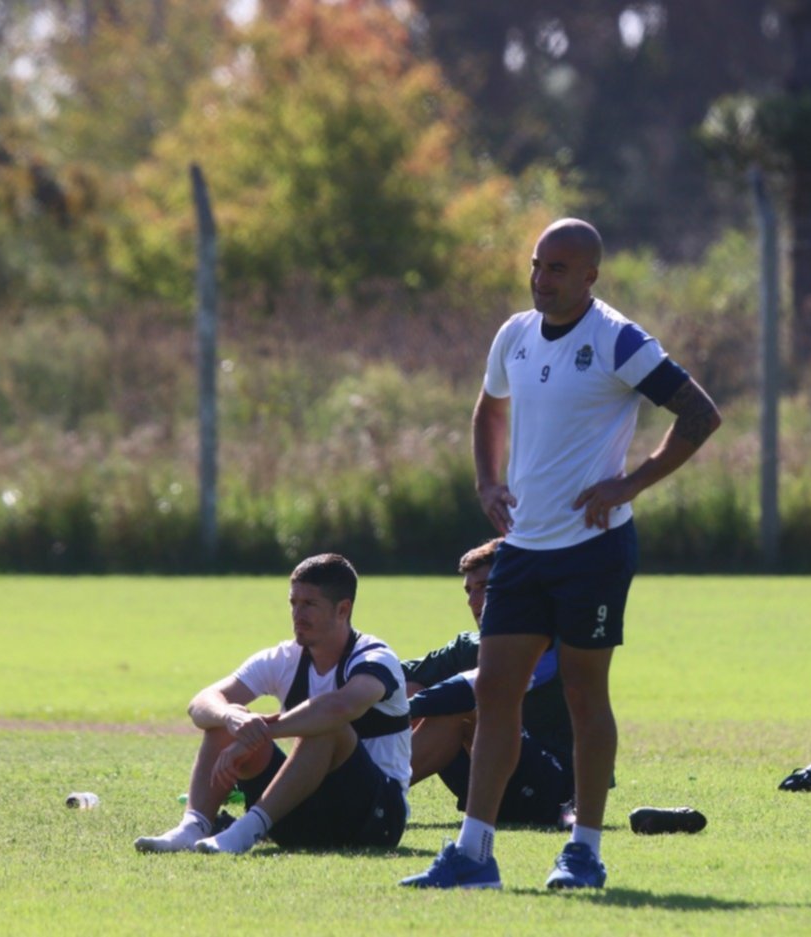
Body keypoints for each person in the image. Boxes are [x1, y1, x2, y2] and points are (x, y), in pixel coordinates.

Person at [402, 217, 721, 891]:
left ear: (590, 277)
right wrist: (488, 481)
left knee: (583, 693)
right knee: (494, 692)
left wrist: (630, 483)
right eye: (537, 265)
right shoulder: (514, 335)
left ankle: (584, 850)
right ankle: (474, 854)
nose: (542, 280)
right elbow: (488, 409)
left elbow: (699, 414)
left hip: (594, 551)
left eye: (558, 269)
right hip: (523, 547)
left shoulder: (619, 339)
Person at [134, 553, 410, 855]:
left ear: (343, 610)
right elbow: (201, 703)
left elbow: (339, 709)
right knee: (227, 718)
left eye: (309, 605)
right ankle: (193, 827)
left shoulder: (374, 657)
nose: (297, 614)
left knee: (328, 728)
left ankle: (243, 832)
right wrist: (232, 718)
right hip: (304, 814)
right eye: (293, 603)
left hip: (374, 821)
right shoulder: (285, 658)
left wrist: (259, 732)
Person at [403, 537, 575, 828]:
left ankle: (371, 793)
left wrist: (391, 714)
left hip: (553, 790)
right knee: (405, 687)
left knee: (465, 705)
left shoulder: (553, 645)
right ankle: (362, 789)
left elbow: (469, 689)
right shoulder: (470, 646)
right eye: (469, 590)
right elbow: (396, 675)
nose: (473, 601)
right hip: (491, 786)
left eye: (485, 587)